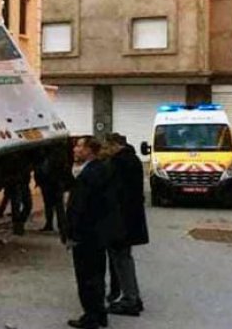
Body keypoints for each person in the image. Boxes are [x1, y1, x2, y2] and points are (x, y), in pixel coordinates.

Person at [66, 136, 124, 329]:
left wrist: (72, 234)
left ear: (89, 150)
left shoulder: (90, 174)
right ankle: (99, 314)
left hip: (87, 234)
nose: (75, 149)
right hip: (98, 233)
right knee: (97, 274)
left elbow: (80, 208)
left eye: (79, 146)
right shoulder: (101, 169)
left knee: (86, 277)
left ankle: (91, 317)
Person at [103, 133, 148, 317]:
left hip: (120, 220)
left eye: (107, 147)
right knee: (124, 258)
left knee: (121, 260)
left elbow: (113, 193)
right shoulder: (133, 159)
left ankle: (130, 298)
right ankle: (132, 296)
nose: (106, 151)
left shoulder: (119, 163)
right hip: (130, 219)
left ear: (115, 145)